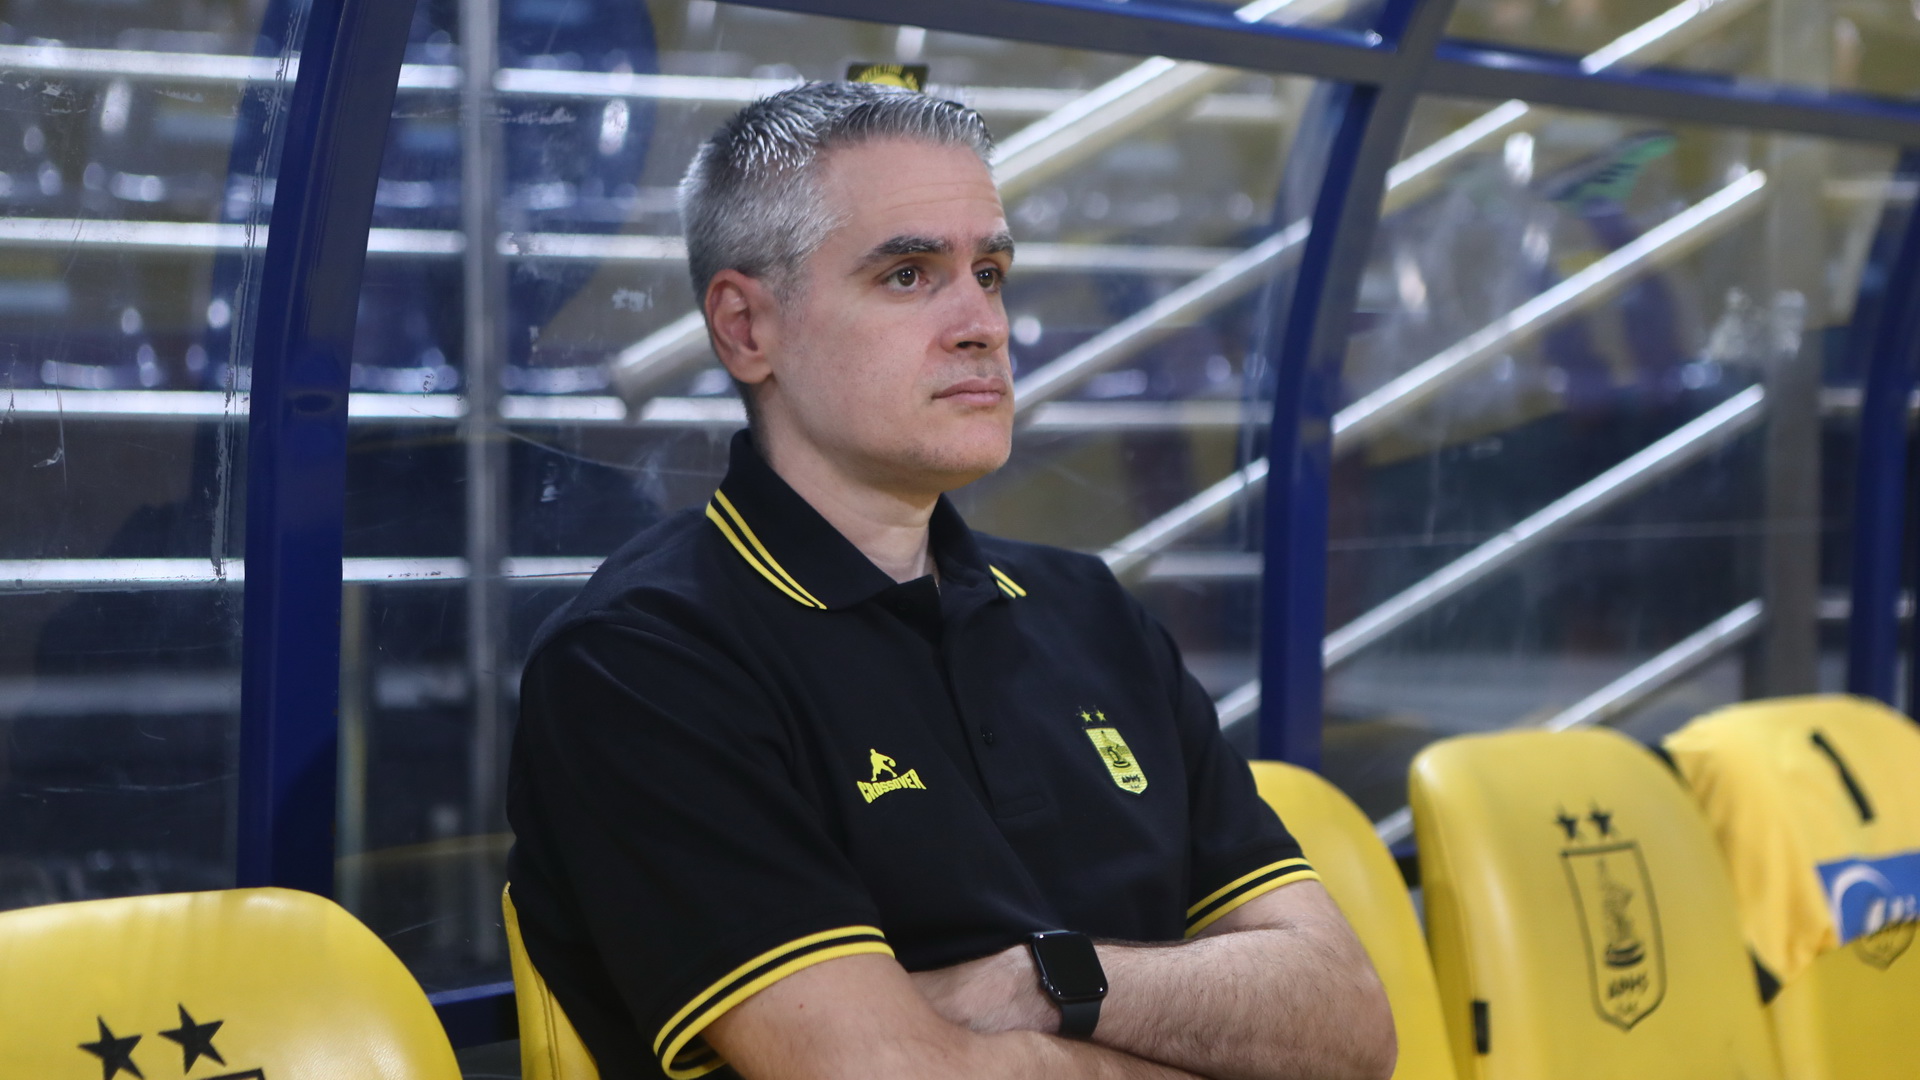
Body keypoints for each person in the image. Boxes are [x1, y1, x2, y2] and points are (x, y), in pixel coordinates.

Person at [506, 81, 1396, 1080]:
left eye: (991, 272)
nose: (984, 325)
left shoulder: (1091, 612)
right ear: (747, 328)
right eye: (908, 275)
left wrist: (1038, 983)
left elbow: (1350, 1022)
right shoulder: (644, 660)